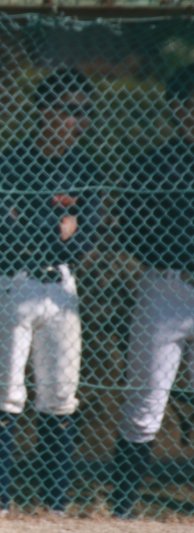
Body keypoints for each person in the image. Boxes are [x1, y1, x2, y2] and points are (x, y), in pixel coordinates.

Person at [0, 69, 102, 514]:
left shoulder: (85, 169)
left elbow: (85, 240)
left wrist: (40, 224)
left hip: (60, 285)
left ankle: (55, 508)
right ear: (45, 111)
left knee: (60, 396)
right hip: (10, 282)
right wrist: (58, 225)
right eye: (70, 110)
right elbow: (5, 227)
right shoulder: (10, 162)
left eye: (85, 112)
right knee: (5, 394)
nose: (79, 121)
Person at [110, 64, 194, 518]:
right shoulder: (153, 163)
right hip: (165, 287)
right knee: (146, 402)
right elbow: (133, 230)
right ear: (177, 109)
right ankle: (121, 509)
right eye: (187, 104)